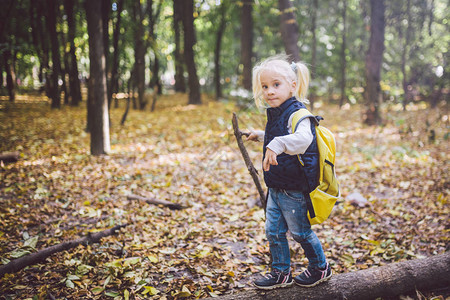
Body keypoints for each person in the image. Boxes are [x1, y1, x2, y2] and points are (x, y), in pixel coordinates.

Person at [247, 55, 332, 290]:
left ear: (292, 86)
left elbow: (302, 140)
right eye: (265, 86)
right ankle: (281, 273)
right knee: (273, 231)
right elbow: (280, 138)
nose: (269, 91)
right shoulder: (276, 112)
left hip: (294, 188)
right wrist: (263, 137)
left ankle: (320, 267)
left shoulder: (299, 113)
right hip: (276, 185)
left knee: (300, 233)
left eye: (276, 85)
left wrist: (276, 144)